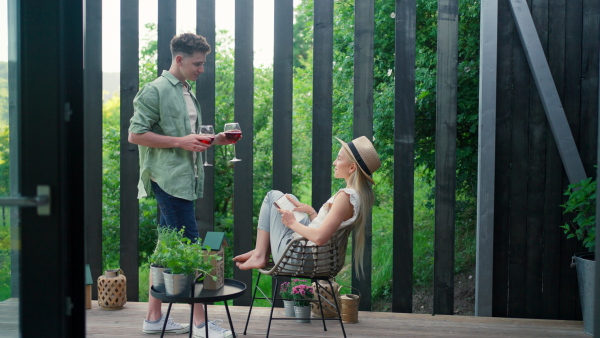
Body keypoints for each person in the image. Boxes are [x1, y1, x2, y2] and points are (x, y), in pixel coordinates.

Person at [129, 32, 234, 338]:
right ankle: (200, 324)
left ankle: (153, 318)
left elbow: (190, 139)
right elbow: (135, 135)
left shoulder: (187, 90)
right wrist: (180, 141)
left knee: (168, 247)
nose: (202, 69)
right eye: (197, 63)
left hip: (186, 180)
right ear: (179, 59)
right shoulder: (155, 90)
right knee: (190, 250)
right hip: (169, 181)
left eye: (203, 63)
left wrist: (215, 140)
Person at [233, 136, 381, 277]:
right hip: (313, 257)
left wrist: (292, 223)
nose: (334, 162)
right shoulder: (355, 196)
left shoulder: (345, 196)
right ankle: (261, 251)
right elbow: (328, 232)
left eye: (339, 158)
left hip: (299, 259)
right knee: (289, 199)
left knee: (273, 196)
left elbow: (320, 238)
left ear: (352, 167)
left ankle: (260, 253)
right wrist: (311, 212)